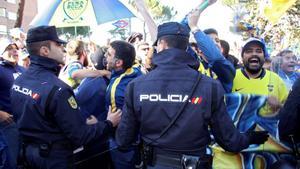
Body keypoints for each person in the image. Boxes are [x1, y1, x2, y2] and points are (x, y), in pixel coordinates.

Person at [116, 16, 269, 169]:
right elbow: (230, 142)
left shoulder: (136, 86)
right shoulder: (210, 86)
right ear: (185, 47)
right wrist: (251, 137)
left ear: (161, 44)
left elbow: (123, 140)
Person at [10, 26, 121, 169]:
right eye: (57, 44)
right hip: (54, 159)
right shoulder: (59, 90)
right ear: (45, 50)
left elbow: (44, 120)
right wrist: (109, 123)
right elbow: (80, 136)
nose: (63, 48)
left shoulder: (19, 80)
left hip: (28, 155)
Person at [105, 40, 143, 169]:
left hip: (122, 143)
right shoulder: (136, 72)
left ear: (119, 62)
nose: (105, 56)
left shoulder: (117, 88)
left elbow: (117, 119)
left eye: (109, 54)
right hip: (140, 141)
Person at [232, 37, 288, 116]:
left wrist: (278, 106)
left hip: (267, 127)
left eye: (258, 51)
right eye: (249, 51)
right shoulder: (231, 77)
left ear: (264, 57)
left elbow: (289, 111)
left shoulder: (276, 80)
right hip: (235, 128)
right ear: (242, 57)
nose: (254, 54)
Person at [0, 37, 25, 169]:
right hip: (7, 124)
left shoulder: (23, 70)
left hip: (25, 122)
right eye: (10, 49)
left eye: (16, 49)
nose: (15, 51)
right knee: (10, 161)